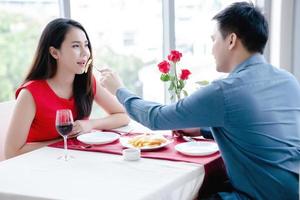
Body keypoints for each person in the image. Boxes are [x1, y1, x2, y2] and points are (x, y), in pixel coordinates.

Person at [99, 2, 299, 200]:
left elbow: (157, 118)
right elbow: (262, 130)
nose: (212, 49)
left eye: (213, 40)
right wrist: (202, 130)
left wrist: (119, 90)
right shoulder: (288, 80)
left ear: (231, 40)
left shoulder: (224, 91)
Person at [4, 18, 130, 159]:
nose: (85, 53)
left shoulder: (87, 82)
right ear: (54, 53)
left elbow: (123, 116)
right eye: (76, 46)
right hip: (38, 167)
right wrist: (65, 141)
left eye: (86, 45)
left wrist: (89, 124)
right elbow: (11, 152)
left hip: (75, 162)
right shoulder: (30, 93)